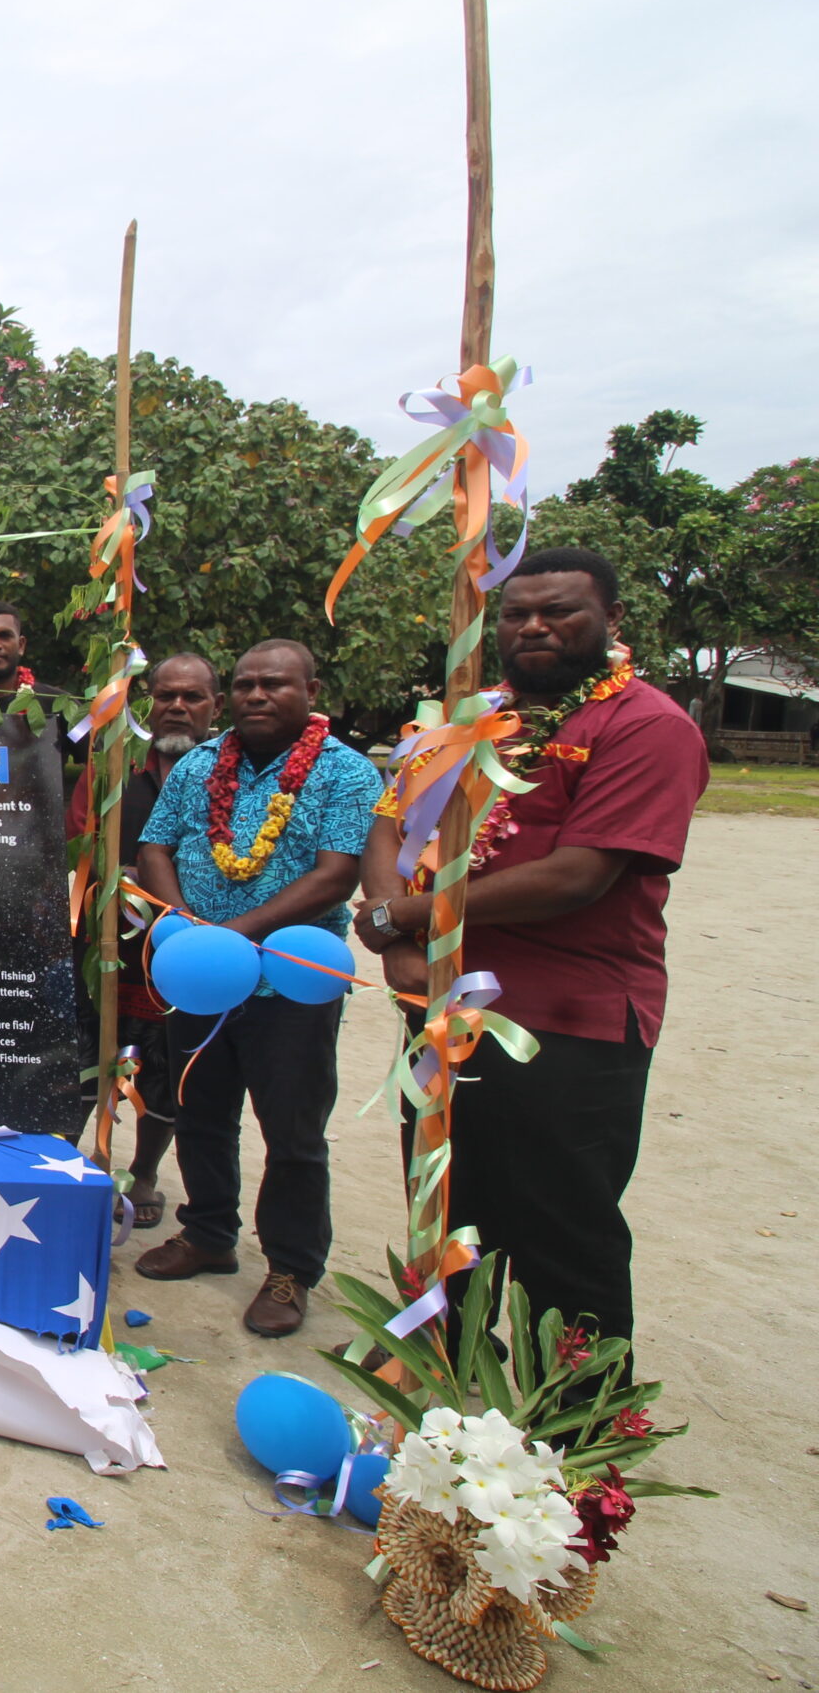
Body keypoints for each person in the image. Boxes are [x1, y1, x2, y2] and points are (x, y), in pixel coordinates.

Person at [354, 548, 707, 1349]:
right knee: (444, 1203)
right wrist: (390, 932)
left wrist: (407, 916)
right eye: (517, 613)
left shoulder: (646, 725)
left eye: (561, 611)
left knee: (561, 1234)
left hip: (563, 1026)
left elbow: (577, 877)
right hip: (439, 1012)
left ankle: (580, 1435)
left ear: (613, 620)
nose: (535, 626)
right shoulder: (467, 718)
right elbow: (390, 821)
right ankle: (445, 1382)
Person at [132, 639, 381, 1336]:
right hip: (201, 977)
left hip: (291, 986)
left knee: (293, 1133)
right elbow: (155, 844)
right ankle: (208, 1234)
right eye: (244, 684)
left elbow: (337, 874)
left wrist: (234, 935)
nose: (255, 695)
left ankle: (290, 1269)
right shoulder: (201, 765)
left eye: (274, 683)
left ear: (311, 687)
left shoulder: (346, 773)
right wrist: (183, 923)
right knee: (202, 1115)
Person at [106, 652, 222, 1228]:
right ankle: (87, 1163)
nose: (177, 707)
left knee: (167, 1071)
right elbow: (80, 836)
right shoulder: (115, 767)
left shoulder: (232, 777)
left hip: (195, 954)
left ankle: (145, 1173)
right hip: (113, 949)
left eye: (192, 697)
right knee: (96, 1057)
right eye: (165, 696)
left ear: (214, 707)